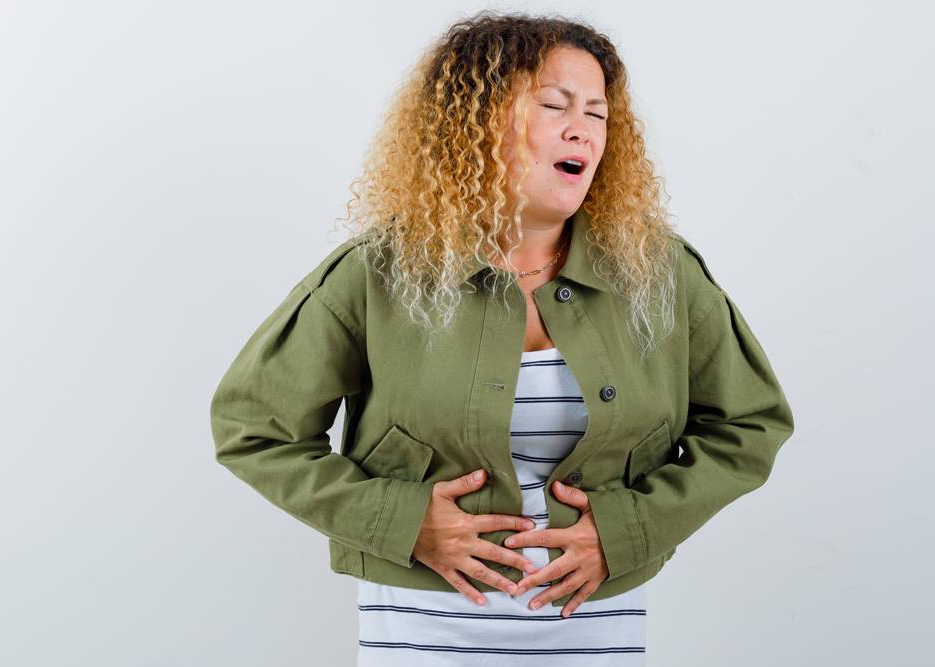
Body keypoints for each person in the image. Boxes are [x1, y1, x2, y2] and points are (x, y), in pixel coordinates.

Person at [210, 11, 794, 665]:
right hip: (421, 634)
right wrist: (402, 521)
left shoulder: (661, 275)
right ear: (477, 122)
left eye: (597, 113)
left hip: (595, 633)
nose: (582, 129)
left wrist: (629, 530)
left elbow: (750, 424)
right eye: (554, 105)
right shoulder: (377, 273)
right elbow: (252, 428)